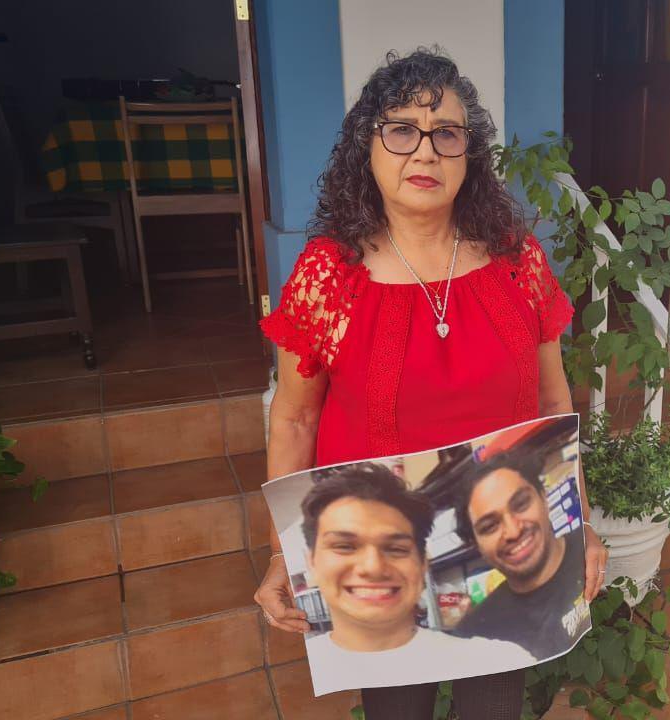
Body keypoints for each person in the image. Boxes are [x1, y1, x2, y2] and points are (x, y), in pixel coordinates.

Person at [253, 47, 609, 720]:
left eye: (446, 133)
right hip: (380, 563)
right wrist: (284, 552)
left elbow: (555, 404)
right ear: (369, 147)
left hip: (505, 549)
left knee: (493, 710)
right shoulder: (329, 276)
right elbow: (295, 421)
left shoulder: (516, 260)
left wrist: (578, 523)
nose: (425, 152)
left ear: (469, 153)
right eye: (401, 130)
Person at [299, 465, 533, 694]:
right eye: (345, 546)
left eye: (396, 549)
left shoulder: (496, 661)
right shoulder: (297, 676)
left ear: (423, 564)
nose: (373, 567)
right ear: (312, 562)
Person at [451, 450, 590, 659]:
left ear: (544, 498)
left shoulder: (593, 548)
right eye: (490, 526)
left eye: (521, 504)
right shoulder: (473, 637)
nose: (513, 531)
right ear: (475, 544)